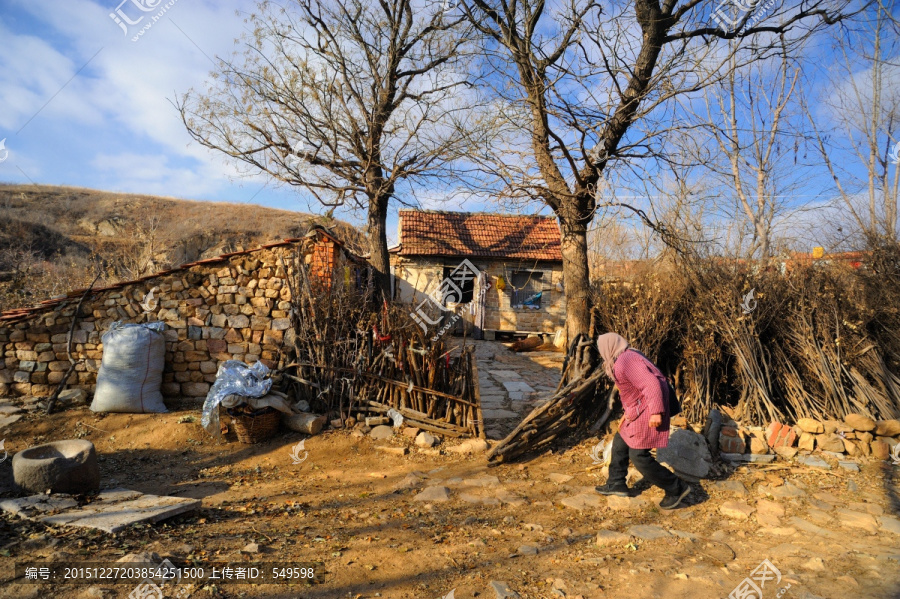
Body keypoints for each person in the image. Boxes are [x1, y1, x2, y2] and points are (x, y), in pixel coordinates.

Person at [594, 332, 690, 510]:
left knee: (638, 455)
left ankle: (676, 488)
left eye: (601, 348)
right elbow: (633, 390)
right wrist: (627, 412)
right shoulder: (624, 357)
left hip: (648, 411)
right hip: (637, 410)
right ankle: (616, 482)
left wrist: (656, 413)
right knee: (620, 440)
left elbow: (651, 384)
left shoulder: (626, 361)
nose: (601, 352)